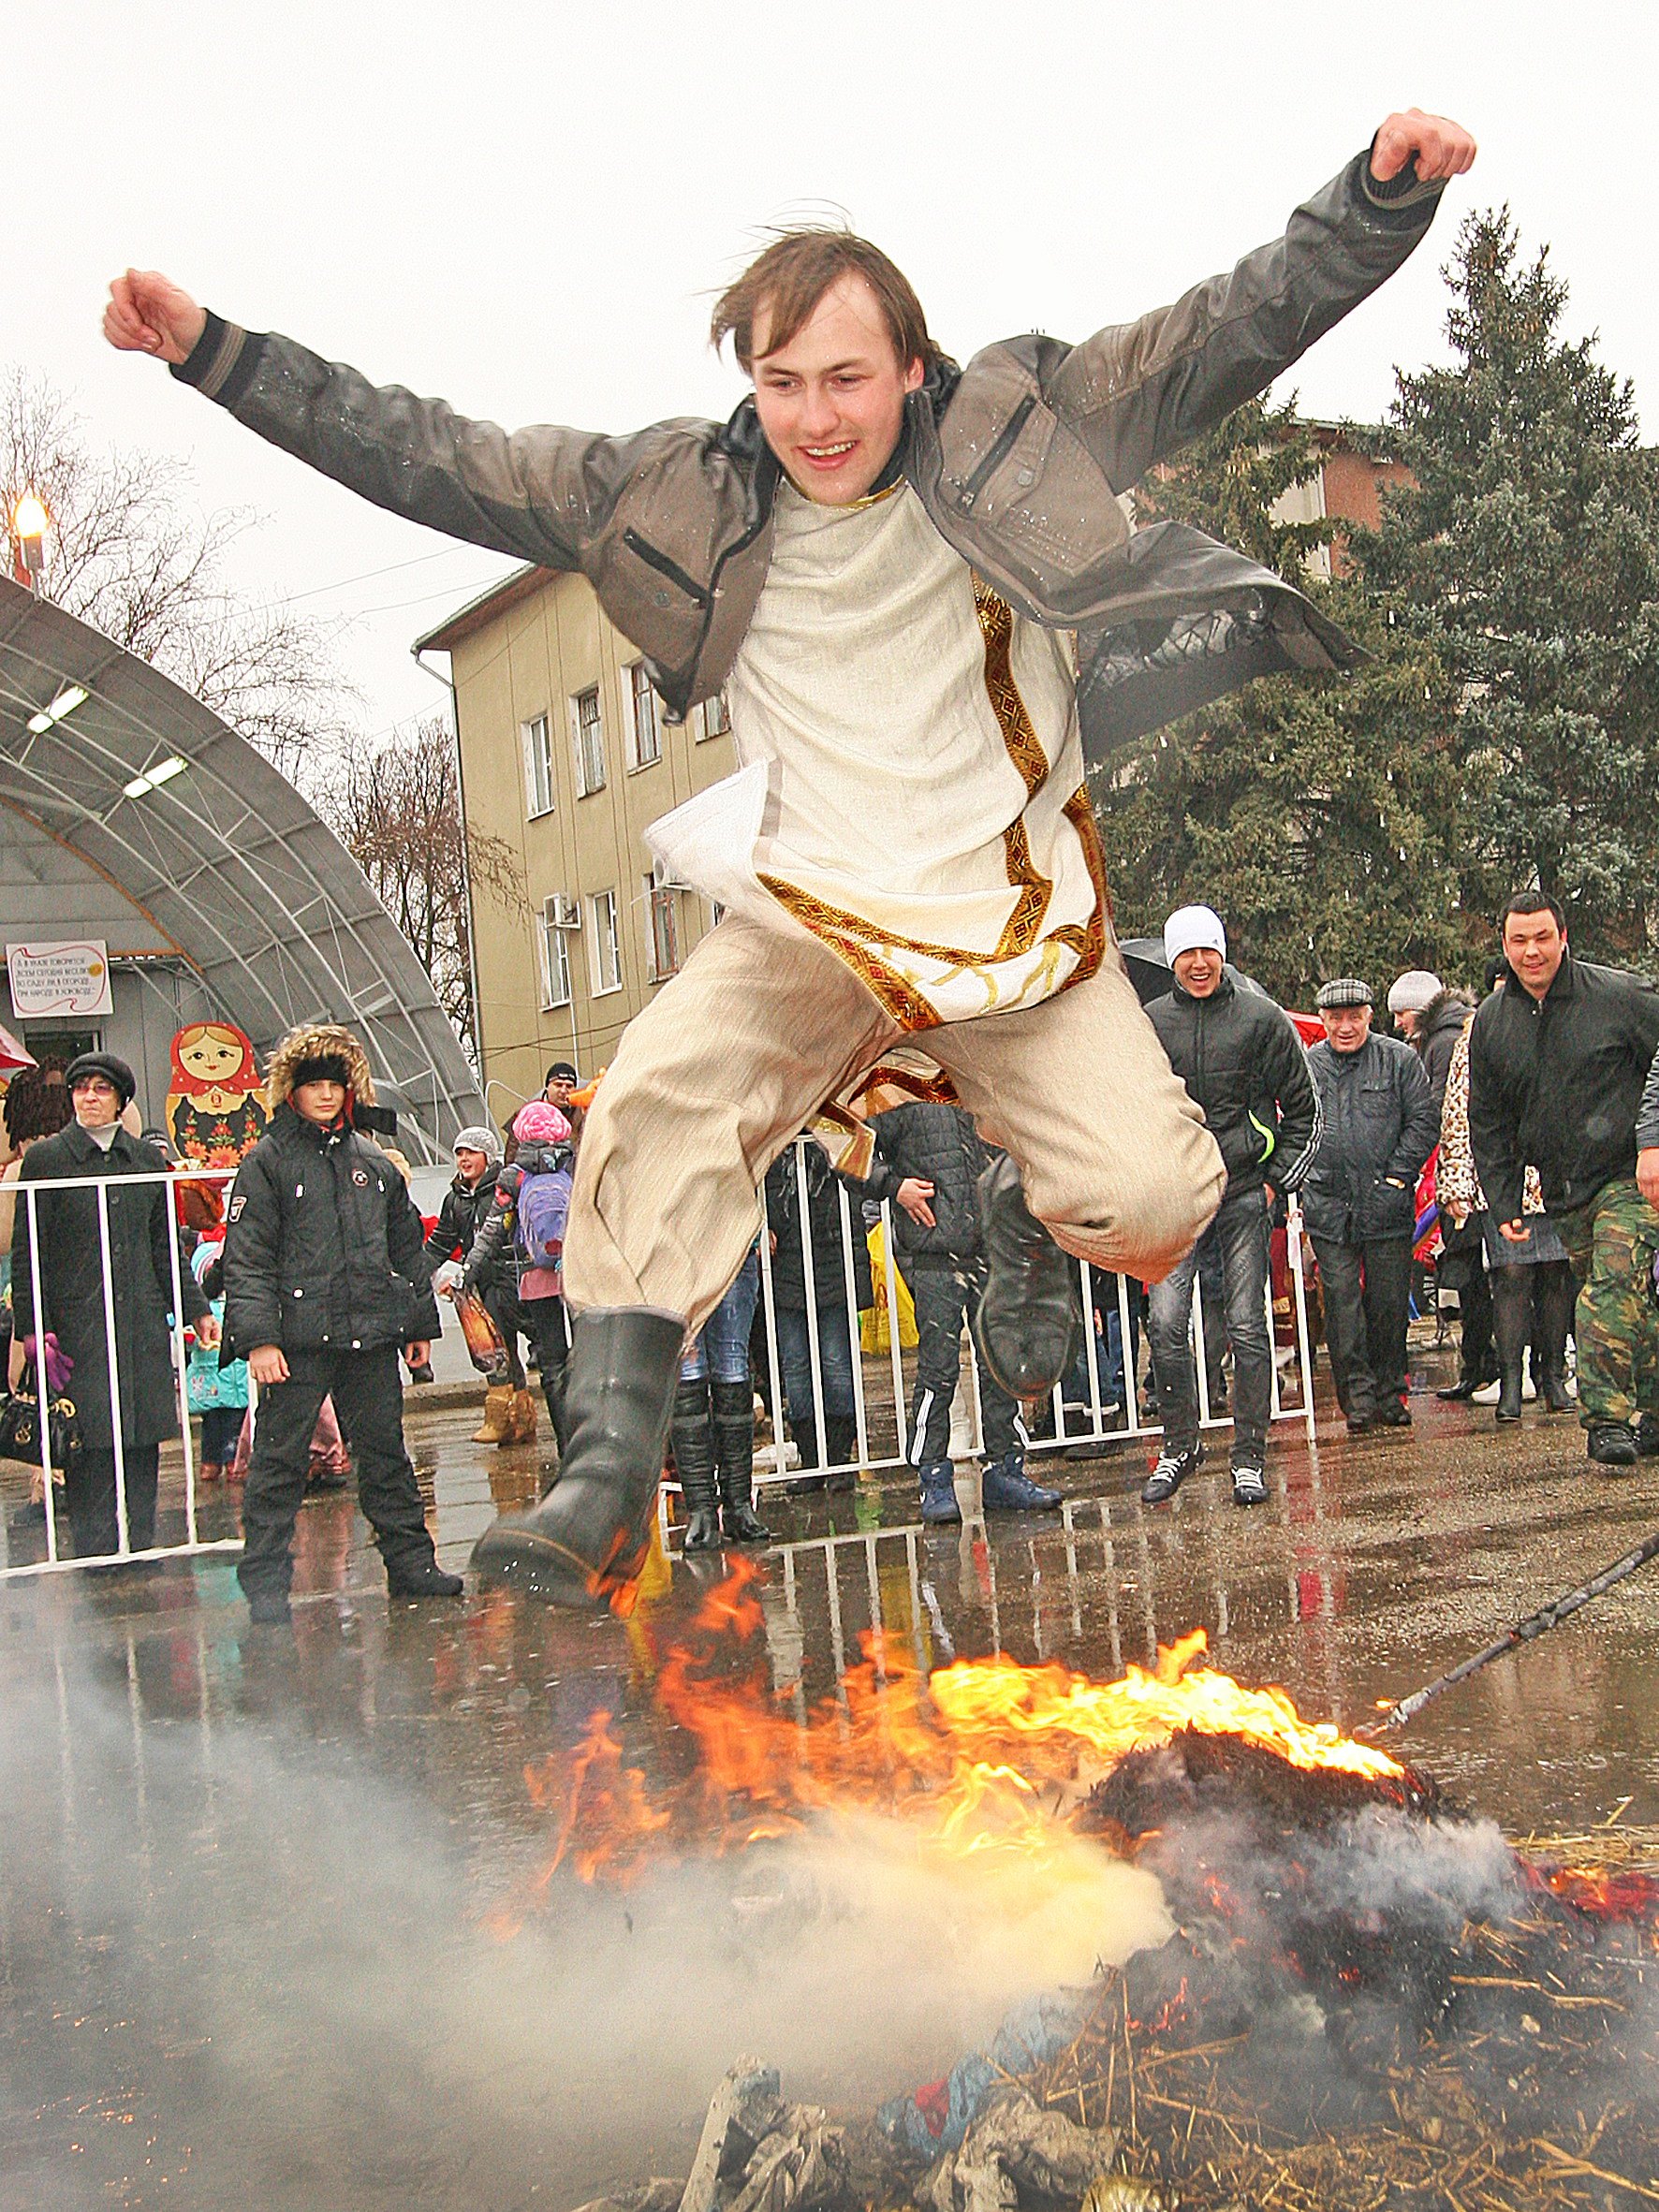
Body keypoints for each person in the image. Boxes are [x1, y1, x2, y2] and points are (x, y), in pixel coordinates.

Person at [106, 110, 1475, 1608]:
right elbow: (434, 452)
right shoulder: (677, 492)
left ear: (909, 365)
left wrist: (1375, 203)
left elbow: (1227, 331)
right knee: (657, 1101)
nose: (818, 418)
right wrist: (218, 353)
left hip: (1013, 919)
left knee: (1155, 1198)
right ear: (746, 381)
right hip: (814, 909)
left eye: (846, 379)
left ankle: (1026, 1208)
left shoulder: (1021, 425)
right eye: (782, 383)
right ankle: (611, 1463)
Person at [221, 1024, 460, 1621]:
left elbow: (405, 1253)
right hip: (297, 1341)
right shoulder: (267, 1162)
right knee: (278, 1464)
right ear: (292, 1093)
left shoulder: (372, 1160)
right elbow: (245, 1257)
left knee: (386, 1456)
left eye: (335, 1085)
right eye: (313, 1086)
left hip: (368, 1335)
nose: (325, 1096)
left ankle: (412, 1568)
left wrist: (416, 1333)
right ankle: (267, 1589)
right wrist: (260, 1340)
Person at [1469, 893, 1659, 1467]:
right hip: (1561, 1188)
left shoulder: (1618, 996)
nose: (1532, 952)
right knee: (1630, 1301)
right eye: (1519, 940)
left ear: (1563, 936)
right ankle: (1652, 1410)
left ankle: (1605, 1421)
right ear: (1504, 946)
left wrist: (1653, 1140)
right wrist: (1503, 1200)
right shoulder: (1492, 1023)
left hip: (1627, 1174)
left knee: (1612, 1282)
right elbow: (1490, 1118)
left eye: (1542, 937)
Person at [1142, 906, 1321, 1504]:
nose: (1198, 964)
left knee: (1248, 1326)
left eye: (1208, 951)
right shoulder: (1148, 1024)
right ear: (1173, 959)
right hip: (1175, 1198)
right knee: (1166, 1326)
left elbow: (1304, 1107)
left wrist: (1277, 1181)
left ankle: (1248, 1456)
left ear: (1222, 953)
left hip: (1244, 1190)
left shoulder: (1260, 1018)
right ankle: (1179, 1445)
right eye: (1187, 953)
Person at [10, 1053, 215, 1558]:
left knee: (140, 1443)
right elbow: (27, 1248)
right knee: (89, 1443)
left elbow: (163, 1245)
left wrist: (196, 1309)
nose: (90, 1098)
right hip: (79, 1329)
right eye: (81, 1089)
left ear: (121, 1102)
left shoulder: (145, 1162)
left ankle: (140, 1550)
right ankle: (97, 1557)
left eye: (102, 1090)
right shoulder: (47, 1161)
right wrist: (34, 1326)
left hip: (138, 1324)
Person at [864, 1099, 1063, 1525]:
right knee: (938, 1369)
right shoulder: (902, 1084)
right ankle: (933, 1475)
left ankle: (1005, 1469)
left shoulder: (974, 1070)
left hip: (990, 1247)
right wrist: (894, 1186)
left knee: (1000, 1365)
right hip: (936, 1253)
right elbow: (847, 1145)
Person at [1438, 962, 1574, 1425]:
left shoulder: (1564, 1018)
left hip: (1558, 1171)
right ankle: (1511, 1381)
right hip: (1502, 1176)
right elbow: (1458, 1109)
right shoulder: (1477, 1031)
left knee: (1557, 1275)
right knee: (1510, 1278)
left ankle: (1553, 1374)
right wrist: (1455, 1182)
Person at [1301, 980, 1438, 1432]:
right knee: (1341, 1305)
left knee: (1388, 1304)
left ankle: (1390, 1391)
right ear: (1322, 1020)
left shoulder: (1399, 1059)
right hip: (1327, 1203)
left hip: (1385, 1203)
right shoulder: (1307, 1066)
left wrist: (1399, 1174)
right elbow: (1293, 1124)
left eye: (1354, 1016)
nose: (1345, 1026)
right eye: (1336, 1018)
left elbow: (1423, 1119)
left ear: (1369, 1015)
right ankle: (1356, 1399)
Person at [455, 1101, 576, 1452]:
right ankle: (589, 1441)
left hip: (535, 1277)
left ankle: (565, 1448)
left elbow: (493, 1231)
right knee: (583, 1358)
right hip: (578, 1274)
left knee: (552, 1362)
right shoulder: (574, 1166)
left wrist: (467, 1272)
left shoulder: (514, 1176)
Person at [762, 1135, 874, 1488]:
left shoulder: (830, 1132)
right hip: (787, 1261)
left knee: (835, 1362)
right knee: (796, 1365)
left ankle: (838, 1459)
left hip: (832, 1256)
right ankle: (811, 1460)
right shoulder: (771, 1136)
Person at [425, 1123, 536, 1445]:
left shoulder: (503, 1192)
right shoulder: (454, 1199)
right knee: (495, 1349)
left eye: (470, 1152)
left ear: (487, 1156)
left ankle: (510, 1415)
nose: (463, 1159)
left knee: (509, 1347)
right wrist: (417, 1268)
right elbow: (441, 1242)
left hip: (510, 1278)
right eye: (459, 1153)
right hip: (481, 1285)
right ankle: (512, 1416)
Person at [671, 1242, 770, 1551]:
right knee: (689, 1372)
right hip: (675, 1256)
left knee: (732, 1367)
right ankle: (701, 1509)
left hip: (731, 1247)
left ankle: (738, 1504)